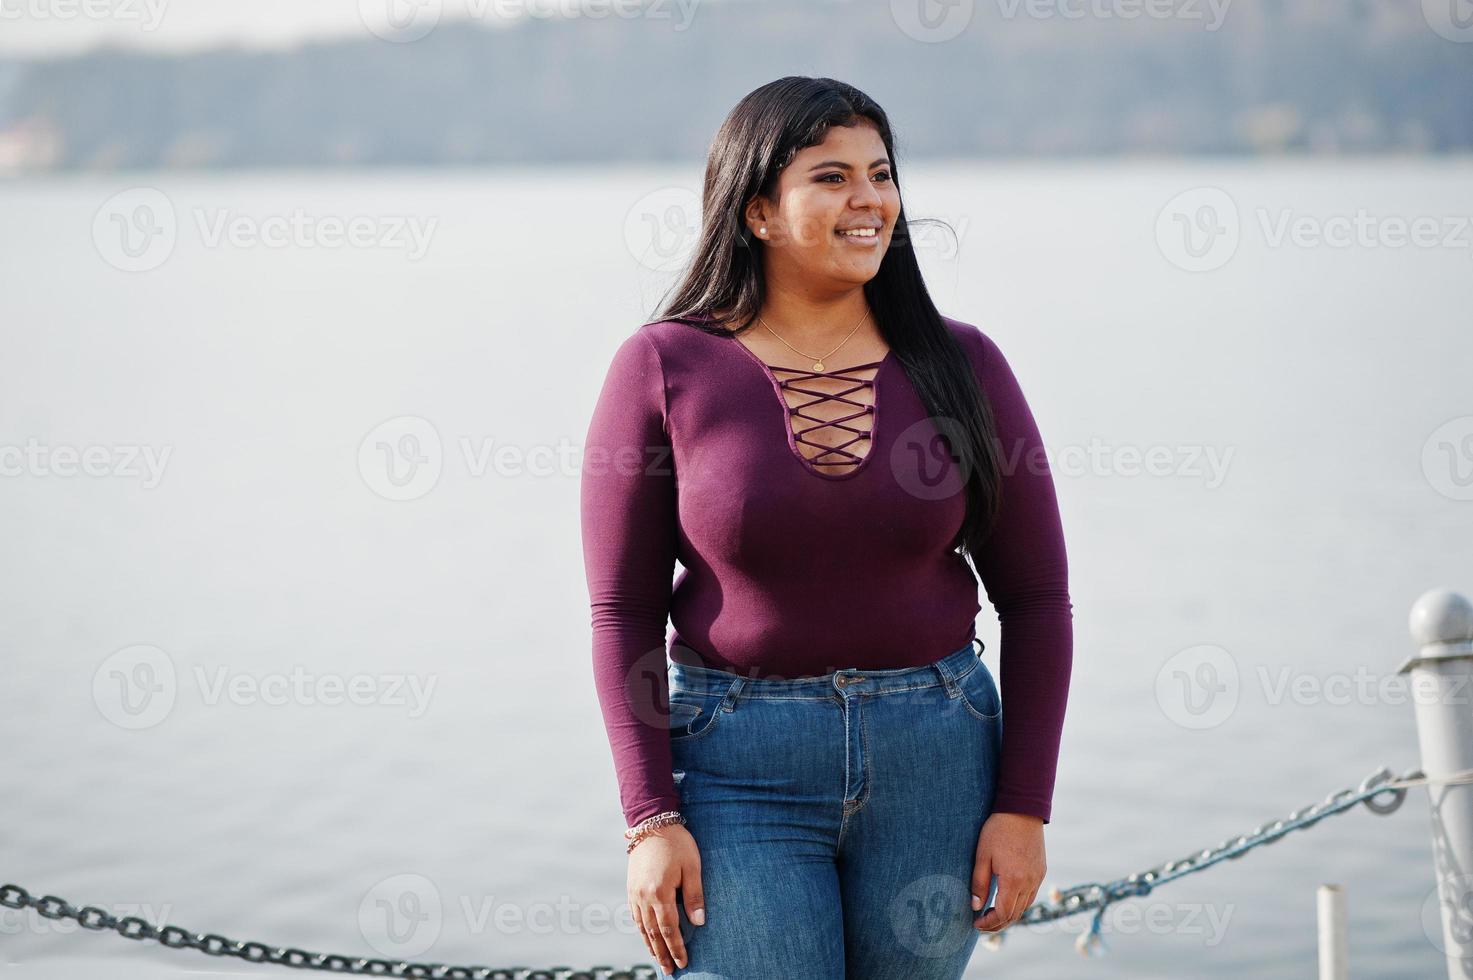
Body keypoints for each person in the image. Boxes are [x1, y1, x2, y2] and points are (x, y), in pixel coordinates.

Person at [580, 75, 1073, 979]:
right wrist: (650, 818)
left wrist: (1023, 806)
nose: (869, 201)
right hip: (737, 763)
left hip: (939, 755)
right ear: (758, 210)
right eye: (832, 176)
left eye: (880, 174)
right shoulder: (664, 366)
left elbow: (1037, 601)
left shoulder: (962, 363)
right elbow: (622, 611)